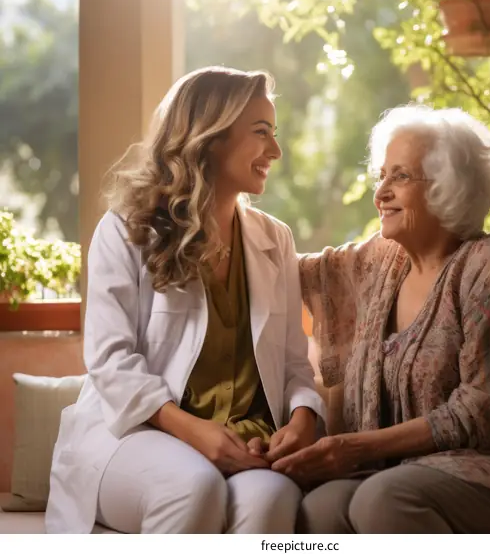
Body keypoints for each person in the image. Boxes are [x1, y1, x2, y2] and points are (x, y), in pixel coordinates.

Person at [270, 105, 490, 534]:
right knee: (320, 507)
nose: (381, 191)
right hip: (398, 472)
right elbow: (281, 269)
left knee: (382, 499)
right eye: (380, 175)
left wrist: (353, 447)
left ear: (448, 187)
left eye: (400, 177)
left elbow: (482, 408)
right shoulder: (381, 261)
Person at [45, 66, 325, 534]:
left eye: (275, 135)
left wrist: (302, 418)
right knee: (193, 486)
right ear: (210, 137)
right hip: (133, 435)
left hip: (244, 442)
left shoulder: (275, 239)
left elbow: (295, 363)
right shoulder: (126, 230)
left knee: (272, 498)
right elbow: (110, 360)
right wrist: (196, 432)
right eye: (261, 133)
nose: (275, 151)